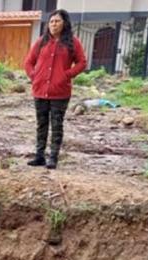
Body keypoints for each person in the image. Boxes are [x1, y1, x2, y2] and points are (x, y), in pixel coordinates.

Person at [24, 9, 87, 170]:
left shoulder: (72, 42)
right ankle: (39, 156)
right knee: (41, 124)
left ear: (64, 23)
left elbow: (82, 62)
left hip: (60, 92)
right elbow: (28, 62)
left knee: (57, 124)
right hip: (40, 91)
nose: (54, 24)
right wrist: (34, 76)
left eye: (57, 21)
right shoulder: (41, 42)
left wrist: (67, 75)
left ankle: (53, 157)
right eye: (51, 22)